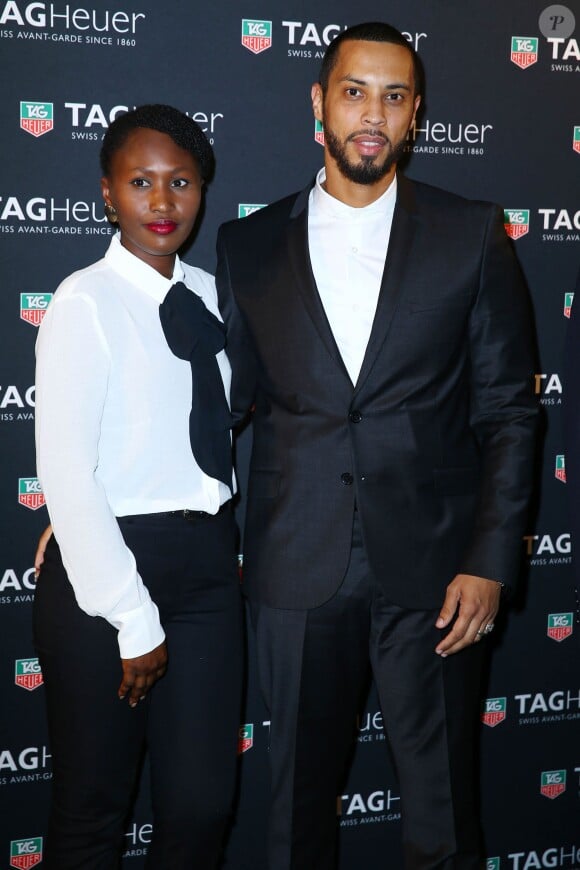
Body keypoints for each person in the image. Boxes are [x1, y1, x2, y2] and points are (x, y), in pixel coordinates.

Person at [216, 22, 538, 870]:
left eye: (394, 97)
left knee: (442, 816)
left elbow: (509, 410)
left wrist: (491, 559)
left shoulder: (471, 234)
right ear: (319, 103)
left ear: (416, 115)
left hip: (435, 572)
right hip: (294, 568)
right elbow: (221, 410)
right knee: (292, 821)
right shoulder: (246, 247)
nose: (373, 114)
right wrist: (106, 500)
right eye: (355, 91)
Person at [33, 104, 242, 870]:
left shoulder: (217, 298)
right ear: (107, 194)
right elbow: (65, 470)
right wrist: (130, 613)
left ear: (202, 191)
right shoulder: (83, 300)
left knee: (201, 807)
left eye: (180, 182)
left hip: (211, 576)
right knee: (93, 813)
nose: (162, 202)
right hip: (110, 575)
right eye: (141, 182)